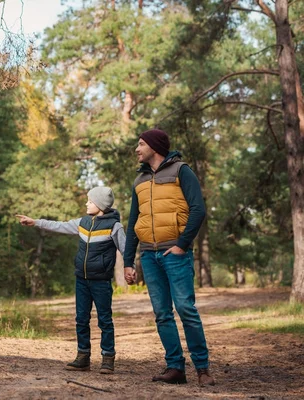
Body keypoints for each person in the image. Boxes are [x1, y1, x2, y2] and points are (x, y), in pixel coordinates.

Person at [123, 129, 215, 387]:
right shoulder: (139, 180)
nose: (137, 149)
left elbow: (198, 210)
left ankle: (203, 368)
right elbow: (133, 222)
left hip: (174, 253)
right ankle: (175, 367)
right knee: (162, 313)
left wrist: (182, 245)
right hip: (149, 256)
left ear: (154, 146)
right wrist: (128, 261)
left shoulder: (181, 171)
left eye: (141, 144)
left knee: (186, 309)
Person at [17, 186, 125, 374]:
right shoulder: (82, 222)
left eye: (90, 201)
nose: (86, 203)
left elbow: (126, 248)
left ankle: (108, 358)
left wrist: (130, 267)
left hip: (101, 281)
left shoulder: (114, 226)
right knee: (81, 319)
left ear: (99, 205)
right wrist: (36, 222)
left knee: (104, 319)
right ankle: (83, 357)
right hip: (81, 279)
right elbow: (60, 225)